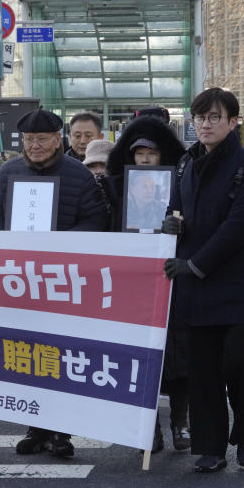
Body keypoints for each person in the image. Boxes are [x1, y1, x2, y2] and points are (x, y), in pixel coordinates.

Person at [0, 107, 108, 458]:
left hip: (63, 280)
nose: (34, 146)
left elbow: (96, 220)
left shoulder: (78, 175)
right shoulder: (8, 171)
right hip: (19, 280)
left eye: (42, 139)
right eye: (28, 140)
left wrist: (60, 244)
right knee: (26, 354)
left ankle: (60, 432)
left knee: (61, 355)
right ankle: (35, 427)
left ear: (58, 139)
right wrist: (3, 241)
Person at [162, 88, 244, 473]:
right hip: (197, 286)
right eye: (199, 118)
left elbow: (240, 225)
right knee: (203, 370)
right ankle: (210, 447)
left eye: (214, 118)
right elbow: (175, 210)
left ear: (232, 121)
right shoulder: (185, 165)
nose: (205, 125)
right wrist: (169, 226)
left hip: (242, 285)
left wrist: (196, 263)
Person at [103, 113, 188, 453]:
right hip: (132, 281)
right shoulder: (114, 188)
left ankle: (180, 422)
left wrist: (180, 229)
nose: (145, 160)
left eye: (151, 154)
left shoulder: (182, 185)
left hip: (173, 278)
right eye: (139, 154)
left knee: (179, 356)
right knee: (139, 356)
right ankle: (147, 429)